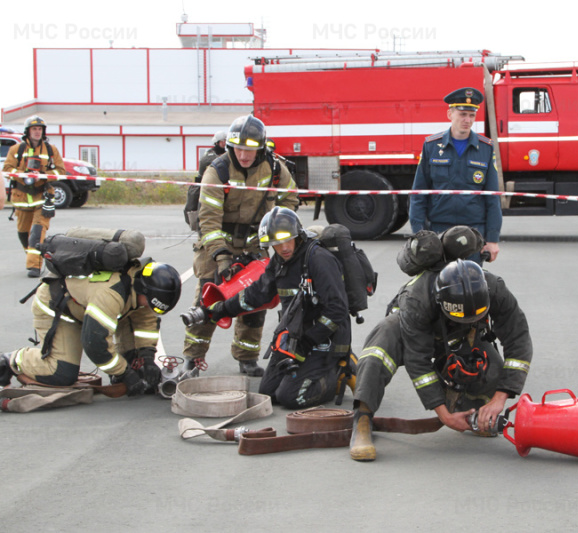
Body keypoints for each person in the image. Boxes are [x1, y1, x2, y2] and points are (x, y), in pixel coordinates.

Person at [349, 259, 532, 461]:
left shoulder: (494, 289)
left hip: (463, 335)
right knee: (378, 351)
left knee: (492, 369)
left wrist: (500, 398)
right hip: (412, 330)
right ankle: (362, 420)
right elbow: (418, 361)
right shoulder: (417, 299)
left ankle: (469, 410)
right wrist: (443, 416)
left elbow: (519, 339)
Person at [190, 207, 352, 409]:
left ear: (298, 235)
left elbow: (337, 311)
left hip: (324, 340)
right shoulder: (278, 262)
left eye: (287, 240)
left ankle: (337, 372)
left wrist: (308, 342)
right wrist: (219, 310)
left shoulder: (319, 260)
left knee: (291, 398)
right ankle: (312, 370)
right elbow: (256, 293)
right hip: (295, 337)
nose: (283, 247)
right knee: (269, 393)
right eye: (276, 243)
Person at [182, 115, 299, 377]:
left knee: (255, 302)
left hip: (255, 245)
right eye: (238, 148)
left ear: (260, 147)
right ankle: (193, 358)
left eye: (249, 149)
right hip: (217, 245)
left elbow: (290, 198)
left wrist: (275, 228)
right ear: (229, 146)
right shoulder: (217, 170)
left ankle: (247, 358)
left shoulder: (275, 169)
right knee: (209, 300)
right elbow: (208, 222)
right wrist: (222, 258)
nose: (244, 155)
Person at [0, 261, 182, 396]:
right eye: (151, 304)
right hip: (61, 311)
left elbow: (145, 322)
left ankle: (125, 372)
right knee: (61, 373)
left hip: (90, 310)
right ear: (144, 290)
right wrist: (124, 372)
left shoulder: (141, 284)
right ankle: (10, 361)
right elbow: (96, 344)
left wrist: (147, 357)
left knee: (136, 363)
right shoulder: (111, 294)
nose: (151, 308)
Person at [408, 87, 502, 263]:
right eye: (462, 114)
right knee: (437, 287)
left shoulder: (486, 148)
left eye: (471, 115)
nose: (467, 120)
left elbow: (492, 198)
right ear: (450, 114)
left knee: (471, 287)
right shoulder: (431, 146)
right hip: (438, 233)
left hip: (473, 234)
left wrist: (492, 239)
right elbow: (418, 194)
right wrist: (419, 233)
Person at [2, 116, 65, 277]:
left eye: (40, 129)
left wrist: (43, 175)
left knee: (37, 232)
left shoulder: (51, 150)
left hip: (42, 198)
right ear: (28, 131)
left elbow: (60, 171)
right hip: (21, 199)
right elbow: (7, 169)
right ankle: (34, 254)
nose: (37, 132)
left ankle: (34, 266)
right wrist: (23, 175)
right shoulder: (16, 150)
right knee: (23, 232)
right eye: (34, 129)